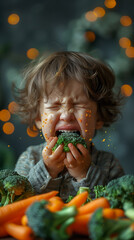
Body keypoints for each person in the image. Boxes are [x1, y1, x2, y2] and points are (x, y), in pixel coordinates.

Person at [14, 51, 124, 201]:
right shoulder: (29, 158)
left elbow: (115, 207)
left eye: (79, 105)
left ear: (99, 117)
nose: (66, 115)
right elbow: (18, 202)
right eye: (55, 106)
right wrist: (48, 170)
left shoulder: (109, 165)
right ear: (39, 118)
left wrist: (84, 173)